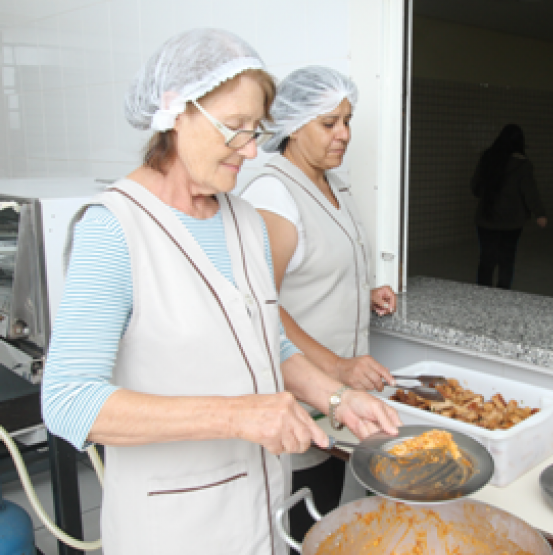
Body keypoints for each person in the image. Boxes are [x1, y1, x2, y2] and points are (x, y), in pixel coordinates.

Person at [40, 30, 400, 555]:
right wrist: (239, 415)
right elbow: (69, 400)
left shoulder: (244, 220)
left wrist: (337, 398)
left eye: (255, 131)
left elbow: (269, 341)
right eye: (235, 128)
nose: (252, 150)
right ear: (174, 113)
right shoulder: (115, 229)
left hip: (261, 512)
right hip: (175, 526)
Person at [237, 66, 399, 542]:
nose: (344, 134)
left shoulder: (331, 184)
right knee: (311, 523)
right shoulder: (273, 192)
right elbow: (262, 303)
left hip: (339, 399)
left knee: (340, 521)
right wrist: (337, 367)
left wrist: (362, 290)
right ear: (292, 124)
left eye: (347, 120)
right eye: (329, 124)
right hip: (304, 396)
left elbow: (318, 263)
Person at [471, 124, 547, 289]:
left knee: (487, 258)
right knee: (507, 258)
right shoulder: (523, 165)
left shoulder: (487, 158)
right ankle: (503, 293)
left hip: (486, 218)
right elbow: (530, 192)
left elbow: (475, 187)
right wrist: (540, 213)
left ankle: (481, 293)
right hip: (512, 221)